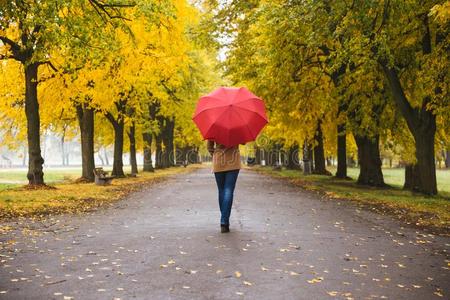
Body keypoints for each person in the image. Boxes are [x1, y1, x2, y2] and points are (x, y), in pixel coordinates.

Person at [207, 140, 241, 233]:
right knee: (228, 191)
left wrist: (216, 154)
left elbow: (209, 147)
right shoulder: (237, 127)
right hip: (233, 163)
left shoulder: (215, 127)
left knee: (222, 190)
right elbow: (243, 141)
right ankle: (224, 221)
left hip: (219, 162)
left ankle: (224, 220)